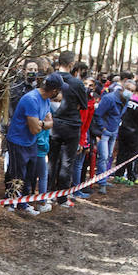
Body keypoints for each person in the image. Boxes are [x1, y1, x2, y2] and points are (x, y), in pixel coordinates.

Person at [4, 74, 59, 214]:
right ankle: (10, 203)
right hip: (18, 140)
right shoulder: (32, 99)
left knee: (30, 174)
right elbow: (35, 128)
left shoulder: (46, 101)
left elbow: (50, 123)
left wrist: (41, 123)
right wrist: (43, 124)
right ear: (54, 90)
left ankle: (24, 203)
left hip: (31, 142)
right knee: (17, 173)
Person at [47, 55, 89, 207]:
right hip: (70, 125)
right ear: (71, 64)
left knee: (52, 160)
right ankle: (62, 197)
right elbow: (83, 105)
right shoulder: (77, 83)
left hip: (54, 124)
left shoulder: (50, 79)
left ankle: (49, 193)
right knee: (66, 162)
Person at [111, 77, 138, 184]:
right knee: (132, 155)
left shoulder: (126, 100)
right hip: (134, 133)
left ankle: (119, 174)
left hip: (122, 130)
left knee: (121, 152)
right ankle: (131, 176)